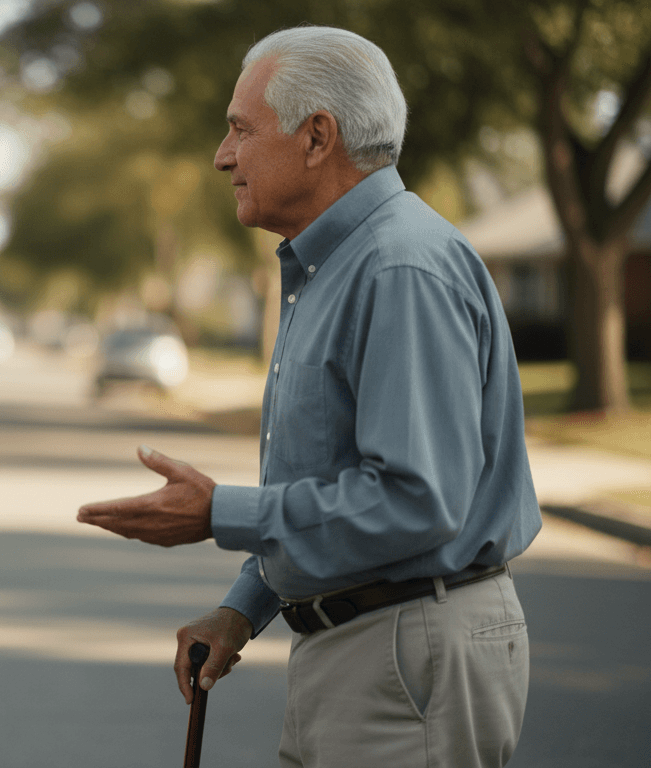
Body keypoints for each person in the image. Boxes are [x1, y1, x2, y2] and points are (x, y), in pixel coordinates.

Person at [77, 26, 541, 767]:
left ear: (317, 137)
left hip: (406, 645)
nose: (223, 155)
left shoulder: (399, 268)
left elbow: (415, 501)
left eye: (239, 129)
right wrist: (244, 606)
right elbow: (334, 486)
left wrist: (217, 511)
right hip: (368, 643)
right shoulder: (337, 268)